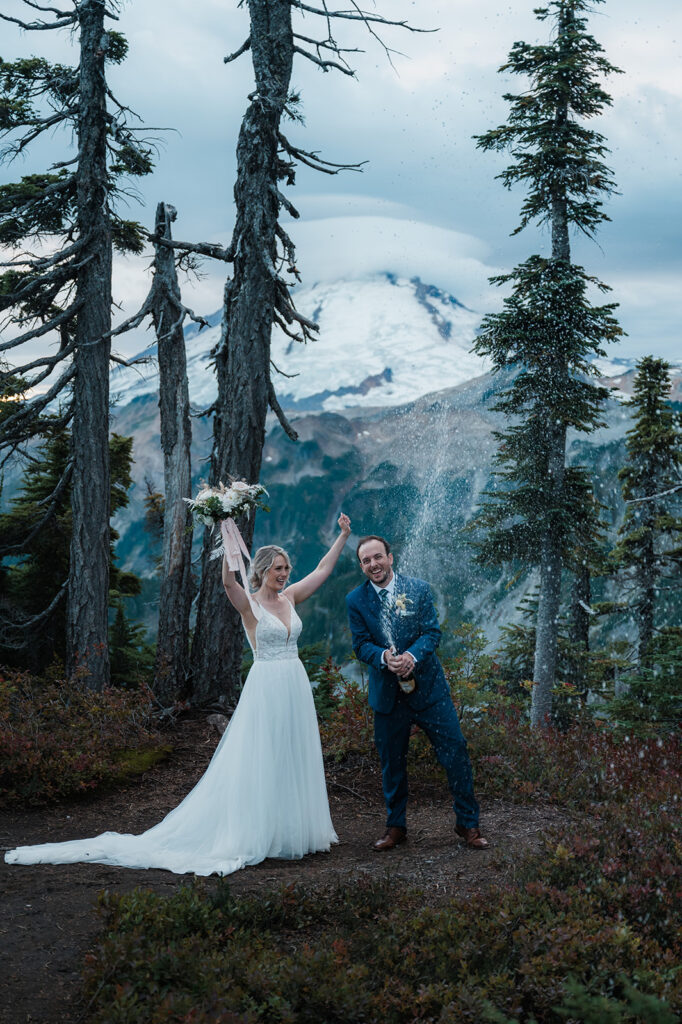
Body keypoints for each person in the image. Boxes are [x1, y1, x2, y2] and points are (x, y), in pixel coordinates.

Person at [5, 514, 352, 876]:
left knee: (293, 753)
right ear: (263, 570)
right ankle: (258, 831)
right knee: (264, 755)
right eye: (278, 569)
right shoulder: (250, 605)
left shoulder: (291, 597)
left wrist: (342, 535)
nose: (284, 574)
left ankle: (291, 831)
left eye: (286, 568)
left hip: (294, 684)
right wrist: (228, 542)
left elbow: (323, 570)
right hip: (266, 686)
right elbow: (229, 583)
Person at [346, 535, 488, 851]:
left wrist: (412, 656)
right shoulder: (355, 600)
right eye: (366, 561)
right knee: (392, 764)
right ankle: (396, 827)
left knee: (456, 752)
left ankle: (468, 824)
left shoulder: (418, 589)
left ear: (390, 557)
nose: (373, 565)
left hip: (429, 692)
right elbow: (360, 645)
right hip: (387, 696)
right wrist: (384, 658)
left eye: (377, 557)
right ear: (361, 566)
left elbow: (431, 632)